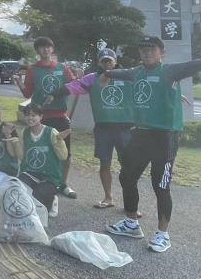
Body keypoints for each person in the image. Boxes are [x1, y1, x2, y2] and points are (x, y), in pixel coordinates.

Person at [104, 36, 201, 253]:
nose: (147, 53)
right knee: (126, 177)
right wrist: (107, 73)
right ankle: (131, 224)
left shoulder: (170, 71)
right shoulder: (136, 72)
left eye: (152, 49)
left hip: (164, 136)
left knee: (160, 185)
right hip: (140, 134)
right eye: (143, 49)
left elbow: (197, 64)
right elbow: (120, 73)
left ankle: (162, 235)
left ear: (162, 52)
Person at [46, 48, 133, 209]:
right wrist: (54, 94)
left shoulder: (127, 75)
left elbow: (144, 85)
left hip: (125, 128)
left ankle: (131, 203)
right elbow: (73, 86)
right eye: (104, 60)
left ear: (115, 62)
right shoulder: (92, 78)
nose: (107, 63)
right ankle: (108, 198)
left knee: (128, 166)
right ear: (99, 62)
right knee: (104, 163)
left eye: (110, 60)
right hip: (103, 128)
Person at [14, 36, 77, 199]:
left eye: (48, 47)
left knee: (65, 152)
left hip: (60, 115)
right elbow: (28, 93)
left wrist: (58, 95)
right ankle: (45, 182)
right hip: (40, 118)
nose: (45, 50)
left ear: (52, 49)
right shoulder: (32, 69)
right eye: (41, 47)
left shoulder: (62, 68)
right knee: (42, 151)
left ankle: (63, 184)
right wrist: (19, 84)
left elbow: (72, 86)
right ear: (37, 51)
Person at [17, 102, 69, 217]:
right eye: (27, 115)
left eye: (33, 115)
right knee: (18, 188)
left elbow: (63, 156)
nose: (30, 118)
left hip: (50, 175)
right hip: (31, 173)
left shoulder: (51, 132)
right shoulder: (24, 133)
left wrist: (59, 141)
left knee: (39, 195)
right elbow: (22, 156)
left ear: (41, 116)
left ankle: (53, 199)